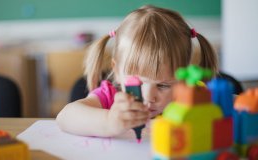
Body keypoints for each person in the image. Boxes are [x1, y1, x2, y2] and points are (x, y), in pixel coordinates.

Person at [56, 5, 218, 137]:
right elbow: (65, 117)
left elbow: (230, 104)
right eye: (137, 83)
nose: (148, 97)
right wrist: (110, 122)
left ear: (184, 77)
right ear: (117, 71)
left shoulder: (190, 96)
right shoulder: (110, 98)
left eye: (162, 85)